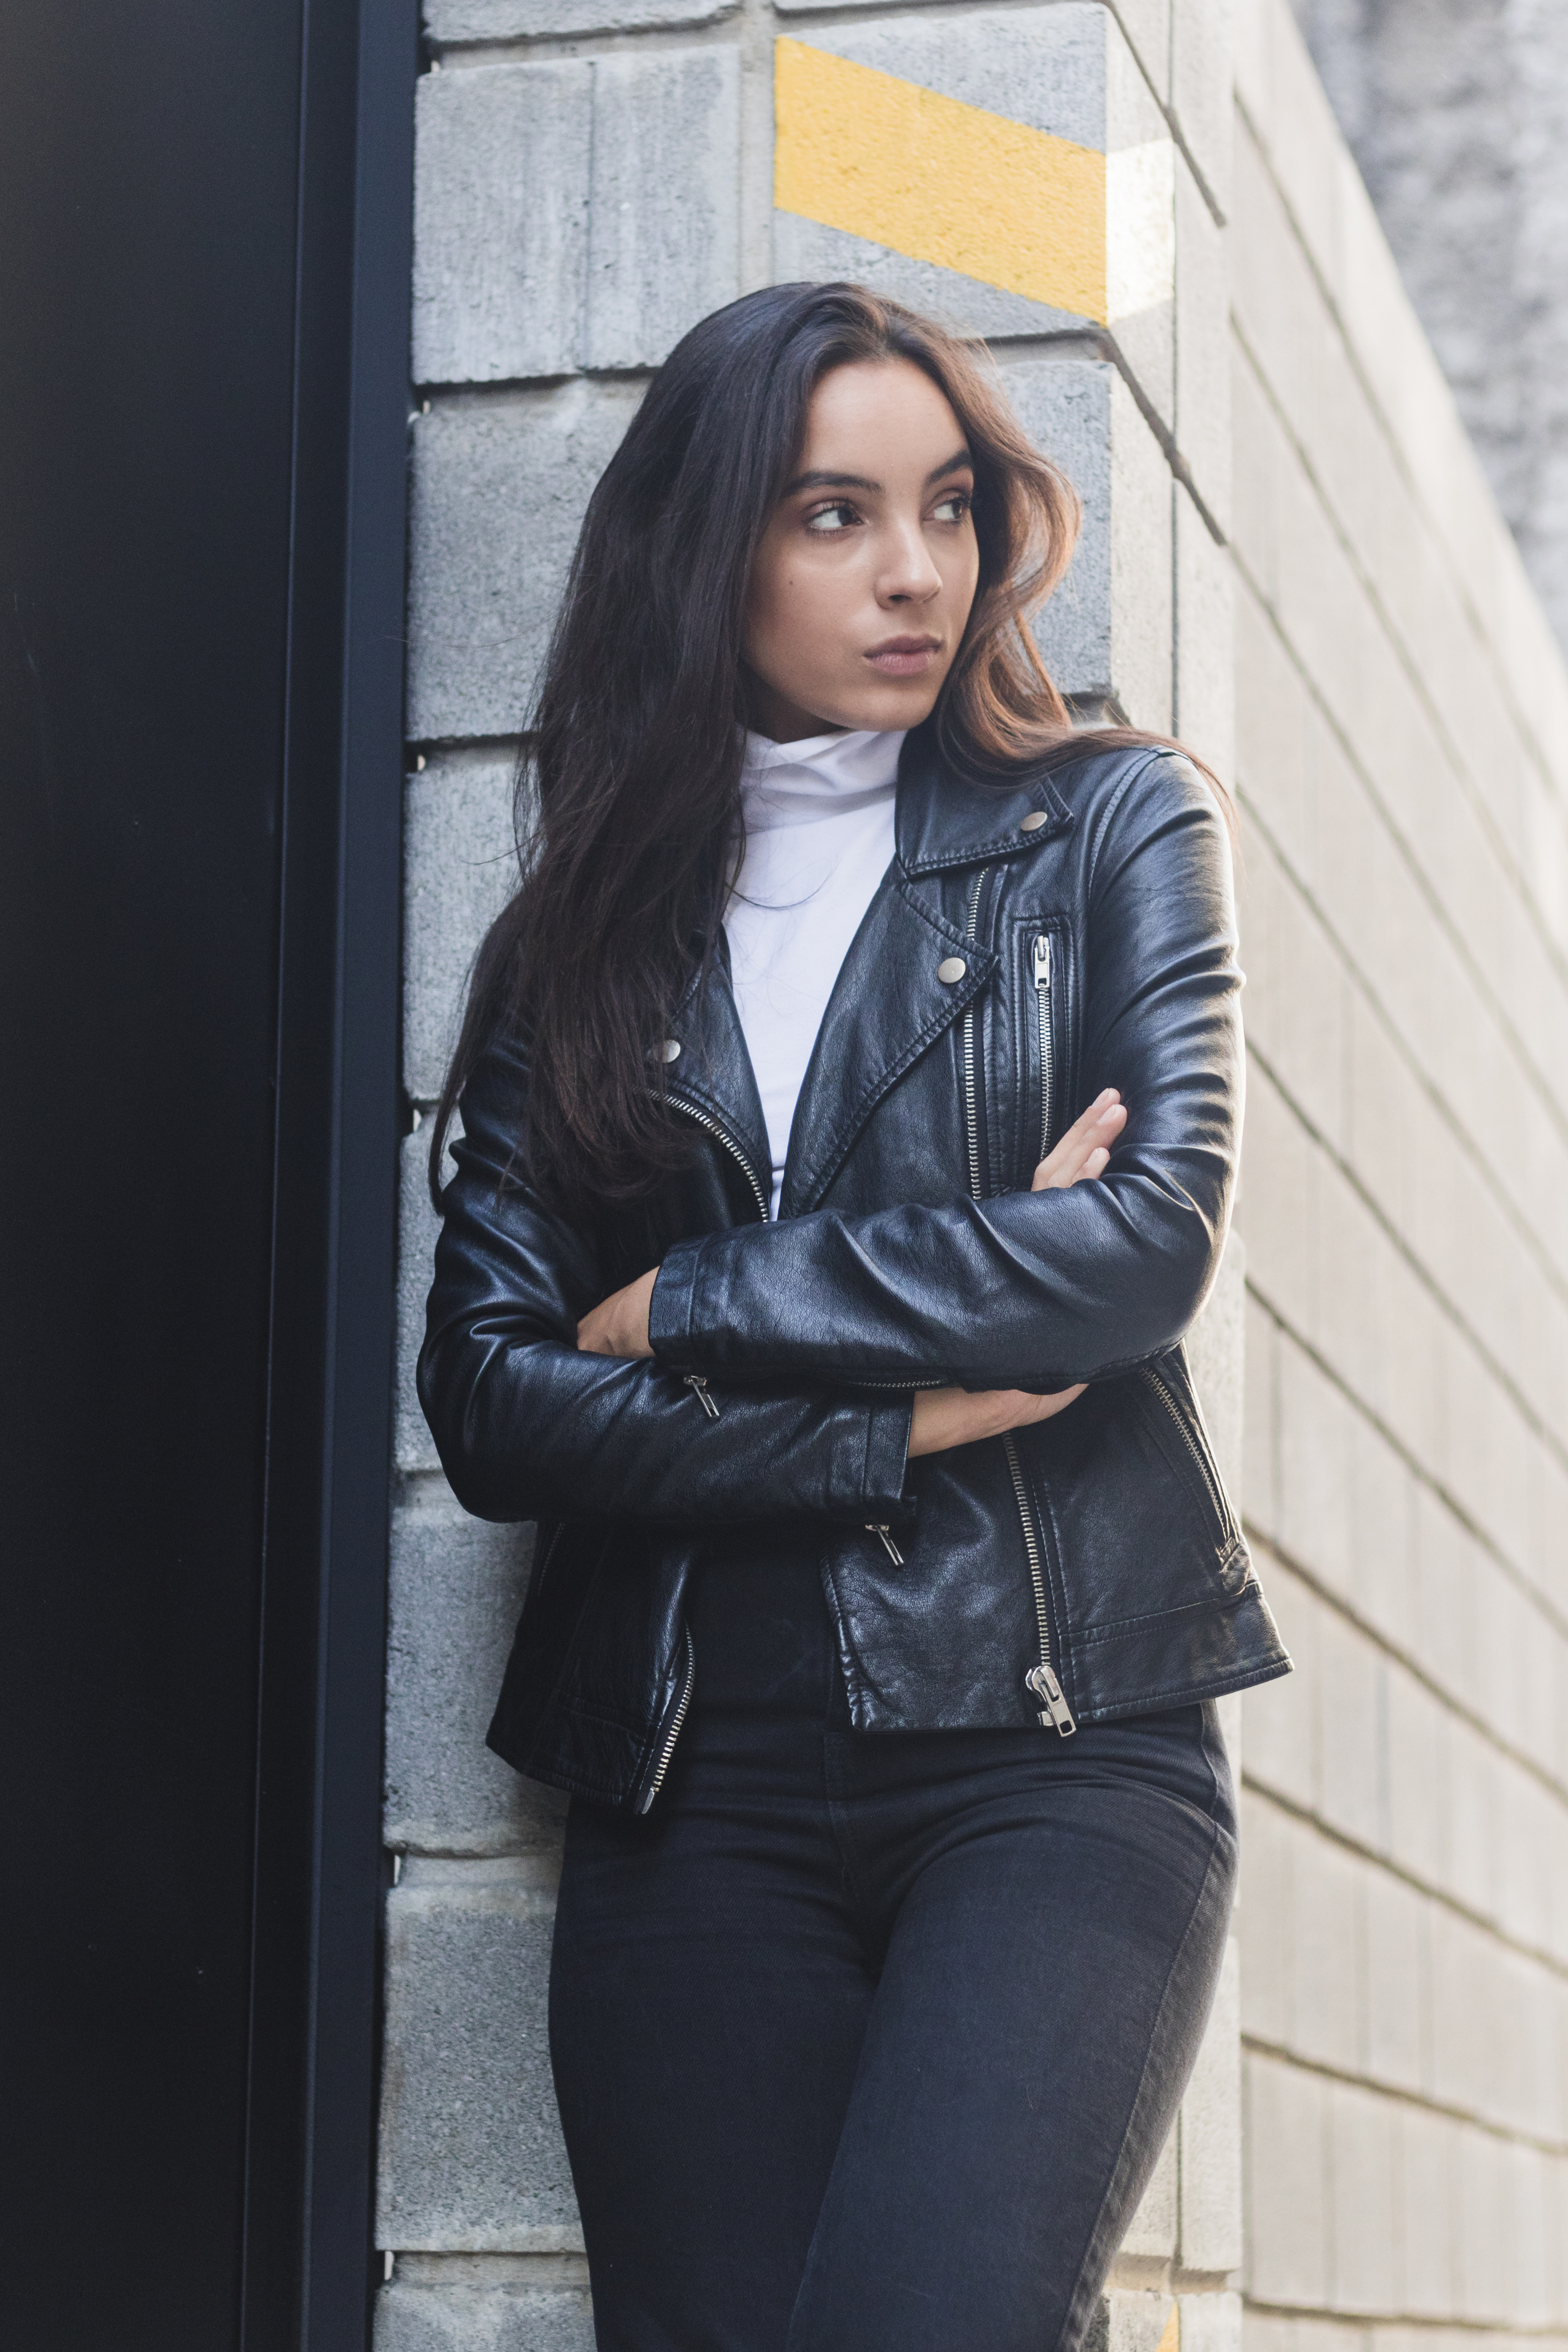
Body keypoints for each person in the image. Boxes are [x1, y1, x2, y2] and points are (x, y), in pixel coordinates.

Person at [420, 281, 1290, 2352]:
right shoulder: (577, 949)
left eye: (948, 505)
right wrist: (890, 1416)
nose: (916, 569)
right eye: (834, 514)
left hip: (1055, 1743)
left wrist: (685, 1300)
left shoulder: (1112, 828)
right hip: (691, 1777)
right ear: (705, 551)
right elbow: (492, 1398)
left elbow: (1141, 1248)